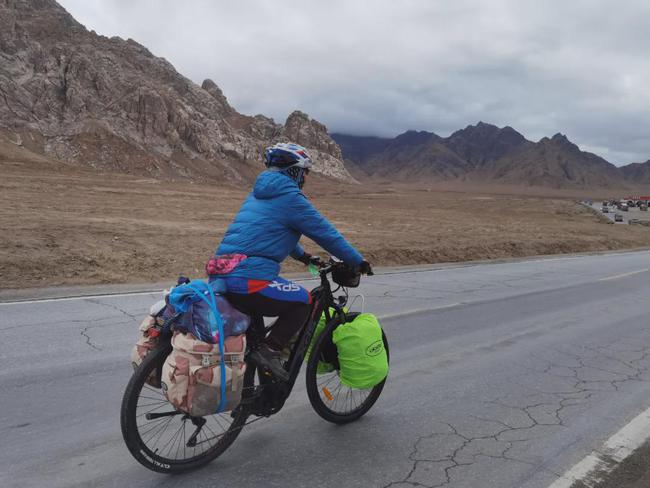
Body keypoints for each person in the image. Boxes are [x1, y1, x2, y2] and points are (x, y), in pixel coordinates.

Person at [206, 142, 371, 381]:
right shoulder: (291, 198)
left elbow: (273, 232)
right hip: (248, 278)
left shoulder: (257, 195)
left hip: (221, 275)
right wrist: (358, 261)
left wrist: (303, 256)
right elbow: (326, 234)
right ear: (295, 170)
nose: (305, 177)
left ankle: (250, 388)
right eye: (305, 171)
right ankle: (270, 350)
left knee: (253, 338)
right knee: (304, 302)